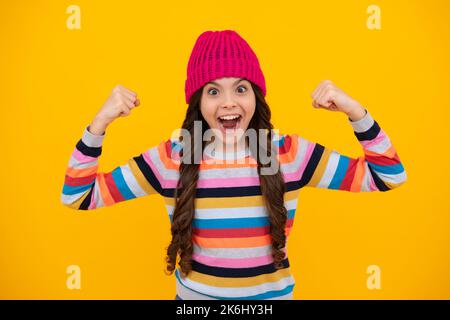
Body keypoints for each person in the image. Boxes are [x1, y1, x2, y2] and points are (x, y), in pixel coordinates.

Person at [61, 30, 407, 300]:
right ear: (198, 101)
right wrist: (99, 124)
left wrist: (355, 112)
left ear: (256, 96)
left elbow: (388, 176)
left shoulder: (287, 153)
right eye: (213, 91)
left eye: (241, 89)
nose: (228, 102)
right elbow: (79, 196)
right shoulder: (175, 156)